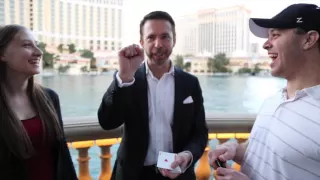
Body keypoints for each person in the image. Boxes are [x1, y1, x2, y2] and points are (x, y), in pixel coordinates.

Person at [208, 3, 320, 180]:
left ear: (308, 40)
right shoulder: (273, 100)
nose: (265, 45)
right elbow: (263, 150)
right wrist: (235, 150)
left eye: (275, 35)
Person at [98, 11, 208, 180]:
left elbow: (200, 133)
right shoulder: (129, 79)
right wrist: (124, 78)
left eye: (165, 36)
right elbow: (107, 122)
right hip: (133, 174)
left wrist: (187, 156)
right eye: (151, 37)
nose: (158, 44)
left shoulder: (190, 83)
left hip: (178, 174)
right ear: (142, 42)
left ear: (174, 40)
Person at [0, 24, 78, 180]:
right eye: (27, 45)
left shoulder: (49, 98)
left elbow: (62, 156)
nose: (39, 52)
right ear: (2, 54)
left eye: (37, 45)